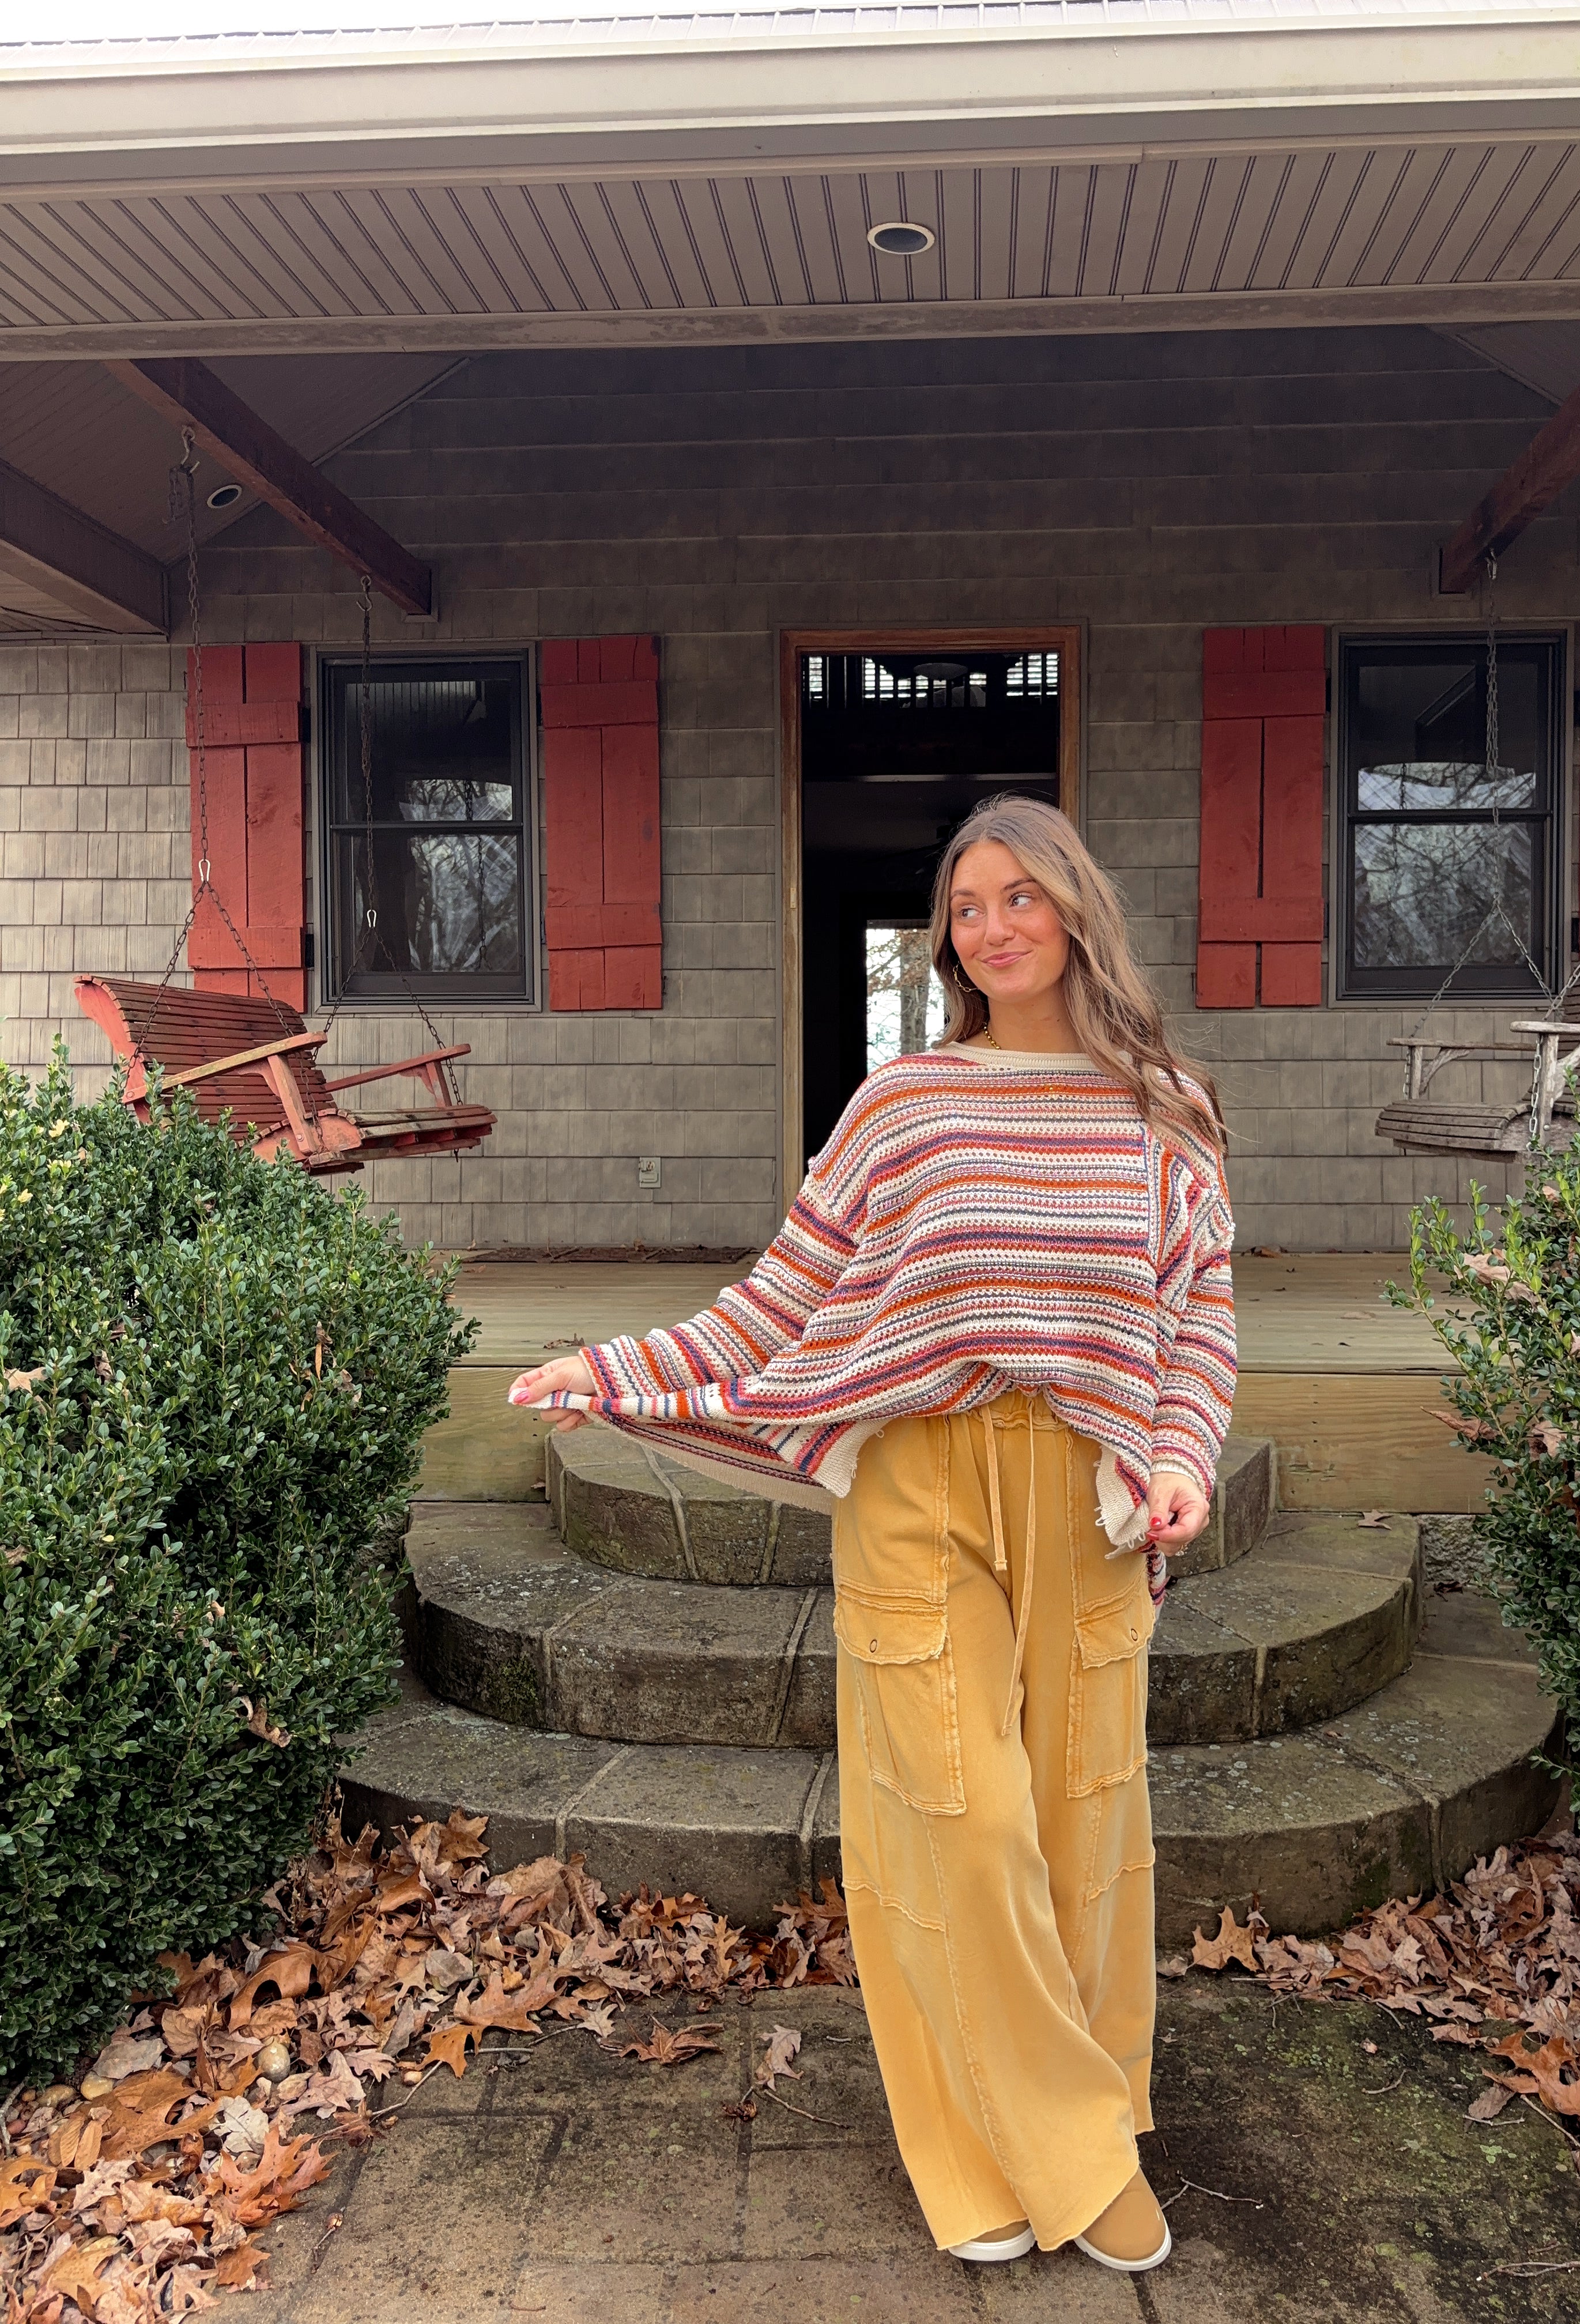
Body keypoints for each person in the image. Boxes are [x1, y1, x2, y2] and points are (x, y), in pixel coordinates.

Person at [508, 795, 1235, 2273]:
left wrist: (1186, 1455)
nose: (992, 926)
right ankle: (1051, 2160)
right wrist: (618, 1370)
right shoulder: (904, 1104)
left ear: (1076, 908)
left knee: (1084, 1822)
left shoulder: (1164, 1101)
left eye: (1018, 896)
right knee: (958, 1824)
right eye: (965, 907)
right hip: (918, 1487)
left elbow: (1200, 1308)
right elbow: (773, 1307)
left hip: (1086, 1497)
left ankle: (1064, 2121)